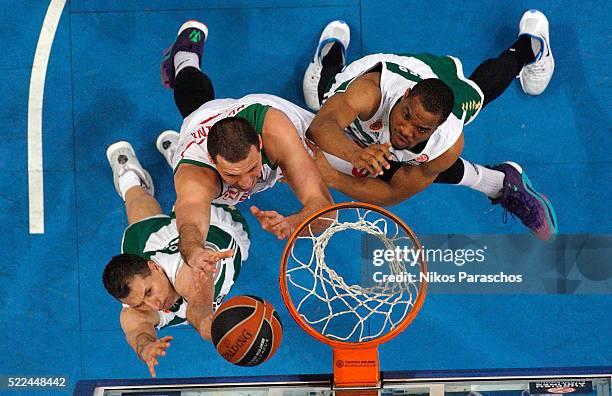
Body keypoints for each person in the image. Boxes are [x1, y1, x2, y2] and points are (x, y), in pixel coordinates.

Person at [302, 12, 557, 240]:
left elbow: (393, 192)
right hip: (392, 75)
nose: (406, 130)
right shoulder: (369, 94)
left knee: (477, 96)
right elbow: (321, 125)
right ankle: (330, 55)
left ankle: (530, 47)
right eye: (406, 115)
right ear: (404, 97)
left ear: (439, 126)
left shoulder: (447, 141)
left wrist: (334, 178)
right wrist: (354, 153)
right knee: (324, 97)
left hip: (434, 87)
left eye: (421, 129)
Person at [159, 20, 333, 275]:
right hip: (202, 123)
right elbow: (190, 225)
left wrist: (294, 222)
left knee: (345, 157)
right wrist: (195, 252)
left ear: (259, 145)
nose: (244, 183)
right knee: (196, 107)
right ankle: (184, 60)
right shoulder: (195, 175)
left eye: (251, 168)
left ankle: (330, 73)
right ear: (212, 160)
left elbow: (326, 210)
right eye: (231, 174)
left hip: (261, 109)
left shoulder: (277, 133)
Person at [103, 139, 250, 377]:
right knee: (139, 225)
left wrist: (206, 324)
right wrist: (145, 347)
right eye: (140, 302)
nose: (153, 305)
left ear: (155, 267)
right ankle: (135, 177)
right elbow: (138, 332)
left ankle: (178, 164)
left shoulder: (189, 274)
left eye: (149, 292)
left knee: (192, 194)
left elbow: (198, 305)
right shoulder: (135, 307)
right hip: (165, 242)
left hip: (214, 224)